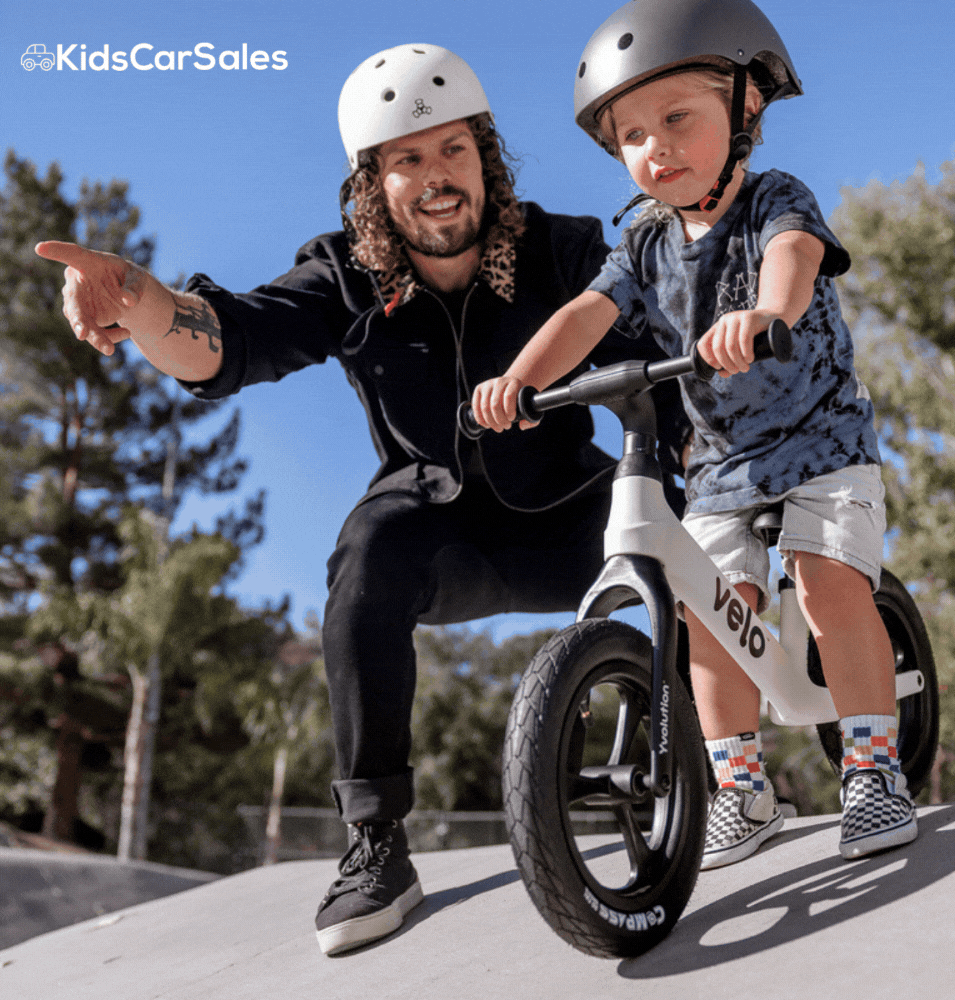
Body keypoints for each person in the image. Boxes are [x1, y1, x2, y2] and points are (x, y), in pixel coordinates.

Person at [35, 44, 689, 953]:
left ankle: (720, 773)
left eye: (453, 152)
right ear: (373, 183)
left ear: (486, 159)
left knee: (689, 517)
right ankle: (377, 846)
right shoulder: (350, 275)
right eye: (408, 160)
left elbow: (668, 327)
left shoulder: (566, 249)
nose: (436, 179)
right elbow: (229, 340)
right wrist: (140, 301)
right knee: (368, 551)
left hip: (571, 518)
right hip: (436, 535)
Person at [473, 0, 918, 870]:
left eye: (677, 118)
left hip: (822, 442)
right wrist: (520, 379)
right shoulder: (642, 240)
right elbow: (587, 312)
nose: (657, 147)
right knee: (710, 617)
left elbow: (795, 259)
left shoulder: (774, 201)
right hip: (721, 465)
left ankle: (872, 768)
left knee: (825, 581)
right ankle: (741, 787)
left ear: (746, 109)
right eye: (632, 135)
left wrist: (764, 314)